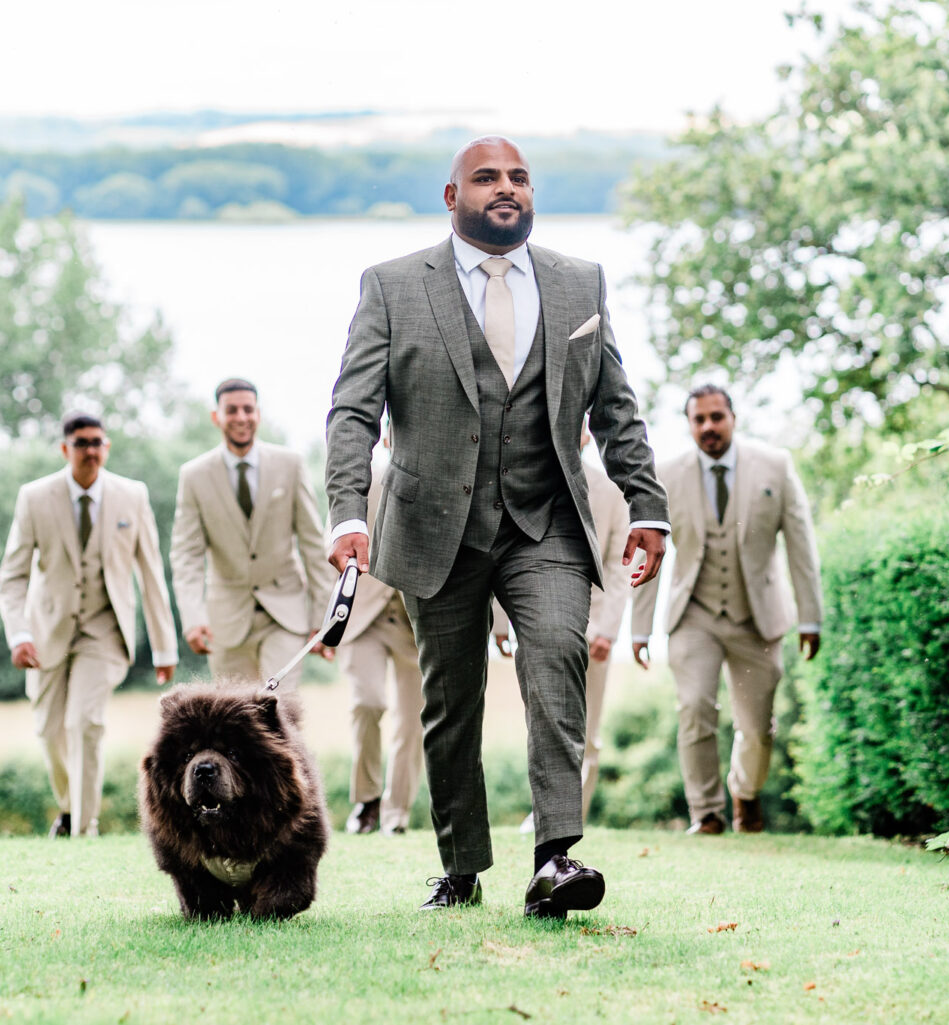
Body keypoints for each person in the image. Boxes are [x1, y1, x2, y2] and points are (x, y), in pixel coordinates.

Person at [325, 136, 668, 919]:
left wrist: (645, 505)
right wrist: (347, 511)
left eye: (518, 177)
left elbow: (615, 406)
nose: (506, 188)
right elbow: (352, 411)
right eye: (486, 178)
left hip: (545, 520)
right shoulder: (392, 286)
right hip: (432, 524)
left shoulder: (580, 281)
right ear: (453, 197)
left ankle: (555, 858)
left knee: (557, 661)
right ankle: (461, 867)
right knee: (452, 704)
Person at [630, 384, 823, 835]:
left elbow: (801, 545)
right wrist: (640, 628)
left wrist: (810, 617)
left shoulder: (775, 466)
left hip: (757, 616)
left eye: (716, 417)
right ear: (689, 424)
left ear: (732, 418)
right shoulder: (666, 473)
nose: (708, 427)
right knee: (694, 707)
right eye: (698, 419)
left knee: (756, 728)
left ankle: (745, 791)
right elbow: (648, 550)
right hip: (693, 615)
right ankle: (707, 813)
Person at [0, 412, 178, 838]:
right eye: (81, 443)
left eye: (97, 442)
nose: (91, 451)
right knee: (49, 730)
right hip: (46, 631)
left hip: (105, 631)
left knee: (84, 722)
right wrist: (19, 634)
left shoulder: (132, 495)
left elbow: (151, 574)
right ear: (65, 449)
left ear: (106, 447)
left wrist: (164, 647)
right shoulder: (34, 498)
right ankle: (68, 807)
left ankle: (83, 827)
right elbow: (11, 577)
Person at [493, 421, 632, 831]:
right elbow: (500, 551)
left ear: (586, 435)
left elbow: (619, 566)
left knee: (587, 729)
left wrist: (607, 629)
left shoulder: (610, 491)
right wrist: (500, 623)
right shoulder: (523, 481)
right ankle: (546, 811)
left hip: (594, 627)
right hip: (534, 622)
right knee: (542, 719)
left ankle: (569, 818)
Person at [171, 378, 337, 690]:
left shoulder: (290, 465)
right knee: (236, 714)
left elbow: (313, 545)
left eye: (248, 409)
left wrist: (323, 617)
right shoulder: (194, 476)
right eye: (232, 410)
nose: (241, 417)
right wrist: (193, 617)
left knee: (279, 706)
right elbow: (186, 555)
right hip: (226, 622)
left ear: (258, 414)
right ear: (216, 416)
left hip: (285, 613)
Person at [339, 434, 423, 837]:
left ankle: (397, 813)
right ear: (389, 435)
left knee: (414, 721)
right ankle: (367, 798)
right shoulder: (359, 484)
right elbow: (329, 547)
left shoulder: (441, 480)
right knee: (367, 703)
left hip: (417, 621)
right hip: (363, 617)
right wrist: (324, 620)